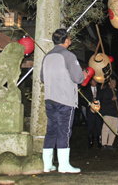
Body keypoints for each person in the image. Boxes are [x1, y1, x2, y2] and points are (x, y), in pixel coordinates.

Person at [41, 28, 88, 173]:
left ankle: (47, 165)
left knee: (51, 131)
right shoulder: (69, 56)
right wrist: (84, 74)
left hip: (50, 98)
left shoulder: (47, 56)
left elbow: (42, 78)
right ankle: (63, 165)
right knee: (64, 130)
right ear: (66, 40)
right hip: (64, 99)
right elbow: (77, 78)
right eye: (69, 37)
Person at [99, 79, 118, 150]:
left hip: (115, 113)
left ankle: (110, 144)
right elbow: (103, 100)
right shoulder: (106, 91)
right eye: (112, 82)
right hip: (108, 112)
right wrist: (111, 99)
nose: (114, 83)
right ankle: (104, 144)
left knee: (114, 129)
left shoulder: (116, 91)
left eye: (115, 82)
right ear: (109, 83)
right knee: (106, 128)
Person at [82, 78, 103, 148]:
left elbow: (102, 98)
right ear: (90, 82)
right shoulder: (86, 90)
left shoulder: (100, 90)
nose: (94, 82)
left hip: (98, 111)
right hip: (90, 111)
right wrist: (88, 103)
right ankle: (90, 142)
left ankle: (99, 142)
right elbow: (83, 99)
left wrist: (99, 102)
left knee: (99, 126)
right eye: (93, 81)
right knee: (90, 126)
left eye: (95, 81)